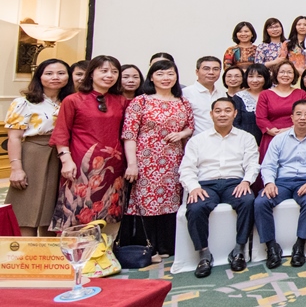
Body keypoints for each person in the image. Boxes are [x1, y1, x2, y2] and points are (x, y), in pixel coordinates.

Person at [122, 59, 195, 257]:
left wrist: (181, 134)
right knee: (146, 202)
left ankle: (166, 247)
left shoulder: (183, 102)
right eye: (160, 74)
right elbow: (129, 134)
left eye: (170, 74)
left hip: (173, 160)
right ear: (151, 77)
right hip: (146, 160)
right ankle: (147, 248)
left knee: (171, 201)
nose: (166, 78)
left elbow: (190, 127)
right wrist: (132, 164)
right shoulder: (141, 101)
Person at [178, 97, 258, 278]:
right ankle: (204, 254)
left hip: (235, 183)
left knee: (248, 201)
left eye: (227, 110)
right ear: (211, 114)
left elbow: (252, 164)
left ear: (235, 114)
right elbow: (187, 168)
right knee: (196, 207)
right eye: (218, 111)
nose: (223, 114)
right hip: (206, 184)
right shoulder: (198, 140)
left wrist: (246, 181)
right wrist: (193, 187)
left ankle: (239, 250)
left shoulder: (246, 138)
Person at [49, 56, 129, 232]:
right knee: (76, 211)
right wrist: (66, 160)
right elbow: (61, 132)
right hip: (81, 164)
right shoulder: (73, 100)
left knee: (110, 213)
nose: (109, 75)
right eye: (104, 71)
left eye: (114, 72)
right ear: (91, 74)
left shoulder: (121, 101)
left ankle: (105, 248)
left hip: (113, 167)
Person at [255, 100, 306, 268]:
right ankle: (271, 247)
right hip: (281, 182)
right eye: (298, 114)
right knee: (261, 202)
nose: (302, 118)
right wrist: (269, 183)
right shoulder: (279, 139)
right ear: (292, 117)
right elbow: (268, 165)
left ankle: (300, 245)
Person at [4, 58, 74, 236]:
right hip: (33, 153)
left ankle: (48, 249)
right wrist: (16, 168)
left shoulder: (71, 101)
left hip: (64, 155)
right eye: (49, 73)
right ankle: (25, 249)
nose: (55, 77)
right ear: (39, 77)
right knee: (27, 205)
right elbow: (14, 137)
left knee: (54, 208)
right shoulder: (24, 102)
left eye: (61, 73)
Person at [255, 61, 306, 159]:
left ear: (294, 75)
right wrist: (275, 131)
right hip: (271, 136)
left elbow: (305, 116)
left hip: (295, 136)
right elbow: (261, 118)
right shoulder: (265, 94)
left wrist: (289, 130)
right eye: (282, 72)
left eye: (289, 72)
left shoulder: (301, 94)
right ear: (276, 74)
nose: (285, 75)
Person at [182, 56, 227, 135]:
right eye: (206, 69)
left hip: (221, 138)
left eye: (216, 69)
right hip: (196, 140)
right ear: (197, 72)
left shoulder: (222, 94)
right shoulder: (185, 93)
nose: (211, 72)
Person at [232, 64, 270, 145]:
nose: (255, 80)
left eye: (259, 76)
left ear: (266, 78)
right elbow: (235, 123)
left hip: (269, 141)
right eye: (251, 76)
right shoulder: (239, 97)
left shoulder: (272, 95)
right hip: (244, 142)